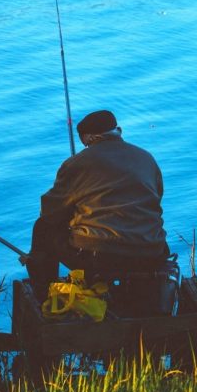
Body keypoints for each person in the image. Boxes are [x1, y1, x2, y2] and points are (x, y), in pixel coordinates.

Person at [26, 110, 170, 302]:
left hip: (100, 257)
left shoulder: (76, 164)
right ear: (118, 131)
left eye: (84, 142)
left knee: (43, 227)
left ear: (89, 138)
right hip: (151, 252)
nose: (84, 146)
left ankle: (44, 294)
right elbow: (156, 198)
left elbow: (50, 212)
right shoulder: (146, 158)